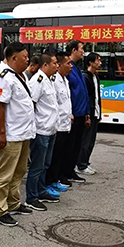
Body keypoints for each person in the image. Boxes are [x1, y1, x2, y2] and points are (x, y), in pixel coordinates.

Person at [0, 42, 35, 227]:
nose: (27, 60)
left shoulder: (20, 75)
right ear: (14, 57)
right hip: (11, 134)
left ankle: (13, 203)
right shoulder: (3, 76)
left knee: (19, 171)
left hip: (23, 132)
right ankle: (0, 211)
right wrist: (2, 133)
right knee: (5, 174)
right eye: (24, 57)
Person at [25, 52, 60, 211]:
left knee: (45, 164)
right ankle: (31, 197)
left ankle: (41, 190)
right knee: (37, 166)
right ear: (45, 65)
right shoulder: (37, 81)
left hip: (50, 129)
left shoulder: (49, 80)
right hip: (41, 130)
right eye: (54, 63)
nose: (57, 66)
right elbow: (31, 104)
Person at [63, 40, 90, 185]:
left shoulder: (78, 68)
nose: (83, 52)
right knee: (69, 145)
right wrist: (70, 112)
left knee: (77, 145)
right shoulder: (68, 69)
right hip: (72, 114)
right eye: (81, 49)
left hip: (80, 113)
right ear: (74, 50)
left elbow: (83, 92)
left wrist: (86, 113)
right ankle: (65, 172)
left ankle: (71, 170)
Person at [46, 52, 73, 192]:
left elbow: (65, 102)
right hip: (57, 125)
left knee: (60, 155)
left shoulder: (65, 80)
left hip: (65, 123)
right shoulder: (54, 80)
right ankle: (49, 182)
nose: (71, 66)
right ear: (60, 65)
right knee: (54, 156)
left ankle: (55, 180)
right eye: (68, 63)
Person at [77, 52, 103, 176]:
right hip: (89, 113)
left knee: (91, 141)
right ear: (91, 62)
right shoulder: (85, 77)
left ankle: (85, 162)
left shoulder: (95, 77)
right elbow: (86, 98)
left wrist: (99, 113)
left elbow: (97, 98)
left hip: (95, 113)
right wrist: (87, 114)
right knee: (86, 140)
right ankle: (81, 165)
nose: (100, 63)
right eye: (98, 60)